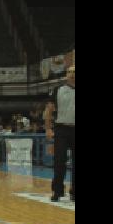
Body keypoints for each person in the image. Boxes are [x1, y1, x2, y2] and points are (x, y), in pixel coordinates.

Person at [44, 65, 75, 202]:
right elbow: (49, 111)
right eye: (70, 71)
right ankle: (57, 191)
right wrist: (48, 128)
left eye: (74, 72)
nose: (72, 74)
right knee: (59, 162)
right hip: (61, 129)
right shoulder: (57, 90)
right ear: (66, 74)